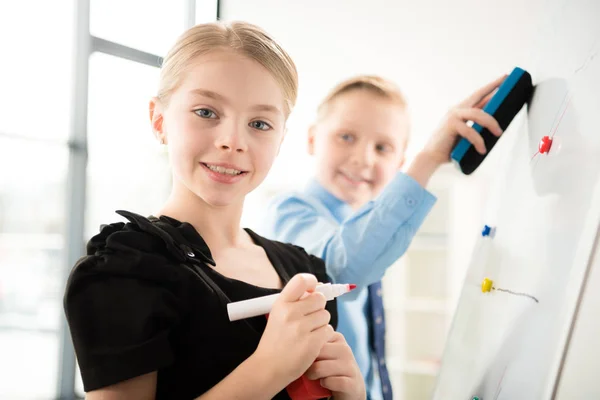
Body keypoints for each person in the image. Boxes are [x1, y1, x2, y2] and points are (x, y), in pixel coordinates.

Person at [63, 21, 366, 400]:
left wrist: (351, 394)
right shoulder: (125, 271)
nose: (232, 142)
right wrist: (268, 370)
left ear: (280, 139)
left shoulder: (305, 272)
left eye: (259, 123)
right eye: (206, 112)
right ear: (159, 121)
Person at [261, 74, 505, 399]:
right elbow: (339, 271)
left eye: (382, 147)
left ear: (398, 162)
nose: (364, 158)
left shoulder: (371, 231)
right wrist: (428, 159)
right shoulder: (288, 213)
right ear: (312, 139)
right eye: (346, 136)